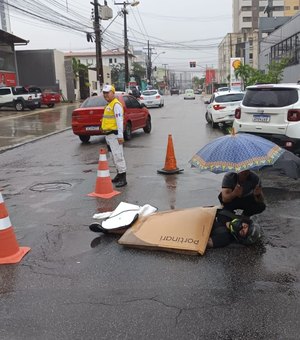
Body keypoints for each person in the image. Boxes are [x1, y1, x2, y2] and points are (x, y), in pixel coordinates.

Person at [101, 84, 127, 187]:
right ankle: (119, 174)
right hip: (109, 136)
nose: (105, 95)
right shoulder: (109, 104)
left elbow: (119, 121)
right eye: (104, 93)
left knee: (118, 156)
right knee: (113, 156)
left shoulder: (116, 105)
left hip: (115, 135)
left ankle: (123, 177)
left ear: (113, 93)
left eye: (107, 93)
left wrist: (120, 136)